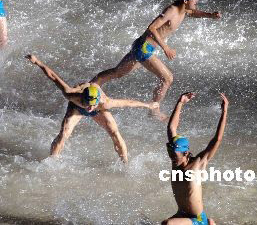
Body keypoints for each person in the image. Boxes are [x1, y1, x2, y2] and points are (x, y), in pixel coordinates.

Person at [91, 0, 221, 121]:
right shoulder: (172, 10)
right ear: (185, 0)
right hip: (144, 48)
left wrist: (210, 15)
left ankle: (92, 84)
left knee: (117, 72)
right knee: (167, 78)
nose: (197, 0)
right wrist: (166, 48)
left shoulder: (184, 10)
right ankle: (154, 110)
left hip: (141, 46)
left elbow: (192, 13)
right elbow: (152, 27)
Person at [26, 54, 159, 162]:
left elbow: (127, 103)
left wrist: (148, 105)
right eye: (87, 104)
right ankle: (52, 161)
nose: (89, 108)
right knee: (64, 134)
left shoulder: (105, 102)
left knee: (115, 132)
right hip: (77, 108)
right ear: (82, 98)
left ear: (97, 102)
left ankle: (125, 163)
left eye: (92, 105)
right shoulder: (72, 95)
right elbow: (53, 77)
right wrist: (37, 62)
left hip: (98, 109)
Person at [161, 91, 228, 225]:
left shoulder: (197, 164)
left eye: (174, 154)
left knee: (168, 224)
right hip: (181, 214)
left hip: (197, 219)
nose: (171, 157)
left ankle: (207, 223)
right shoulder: (176, 162)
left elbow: (217, 139)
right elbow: (171, 128)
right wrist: (180, 103)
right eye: (170, 153)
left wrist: (224, 112)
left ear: (185, 153)